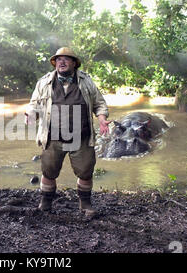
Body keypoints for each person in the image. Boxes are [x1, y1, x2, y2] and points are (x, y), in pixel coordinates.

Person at [25, 47, 110, 216]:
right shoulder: (44, 82)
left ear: (74, 63)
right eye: (58, 59)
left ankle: (85, 204)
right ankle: (45, 204)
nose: (62, 62)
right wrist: (30, 114)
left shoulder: (85, 81)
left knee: (86, 171)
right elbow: (34, 104)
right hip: (53, 136)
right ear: (55, 63)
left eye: (66, 59)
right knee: (48, 171)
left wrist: (101, 119)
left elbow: (99, 103)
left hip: (82, 136)